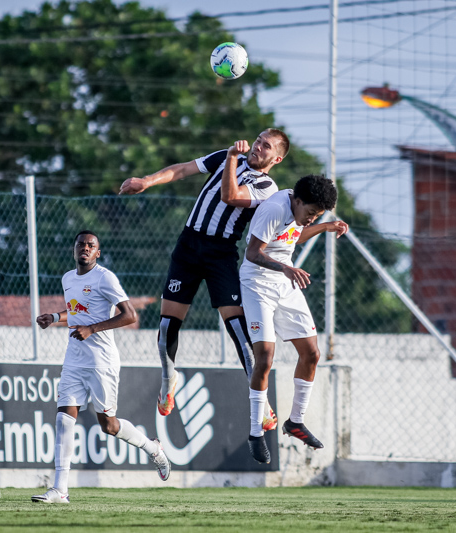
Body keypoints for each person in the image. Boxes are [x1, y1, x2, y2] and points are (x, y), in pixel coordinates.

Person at [119, 130, 289, 430]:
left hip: (220, 254)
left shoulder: (266, 186)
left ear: (276, 159)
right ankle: (167, 380)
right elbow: (182, 169)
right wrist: (146, 181)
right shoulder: (227, 156)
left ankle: (261, 403)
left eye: (266, 146)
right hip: (188, 246)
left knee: (237, 328)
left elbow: (231, 196)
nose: (258, 146)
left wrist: (232, 159)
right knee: (167, 328)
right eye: (259, 140)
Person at [31, 231, 170, 504]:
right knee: (63, 418)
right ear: (74, 250)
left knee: (108, 425)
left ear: (98, 253)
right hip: (74, 359)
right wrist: (55, 317)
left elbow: (130, 315)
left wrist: (92, 329)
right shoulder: (68, 278)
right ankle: (60, 489)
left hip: (102, 362)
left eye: (90, 245)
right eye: (81, 244)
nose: (85, 248)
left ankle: (153, 448)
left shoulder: (105, 278)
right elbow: (76, 310)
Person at [240, 174, 348, 464]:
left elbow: (293, 234)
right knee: (265, 356)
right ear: (297, 202)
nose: (311, 218)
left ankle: (295, 422)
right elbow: (252, 253)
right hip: (257, 284)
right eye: (311, 213)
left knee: (312, 353)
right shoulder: (274, 209)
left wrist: (325, 226)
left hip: (284, 282)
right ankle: (255, 433)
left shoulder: (298, 210)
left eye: (317, 215)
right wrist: (286, 269)